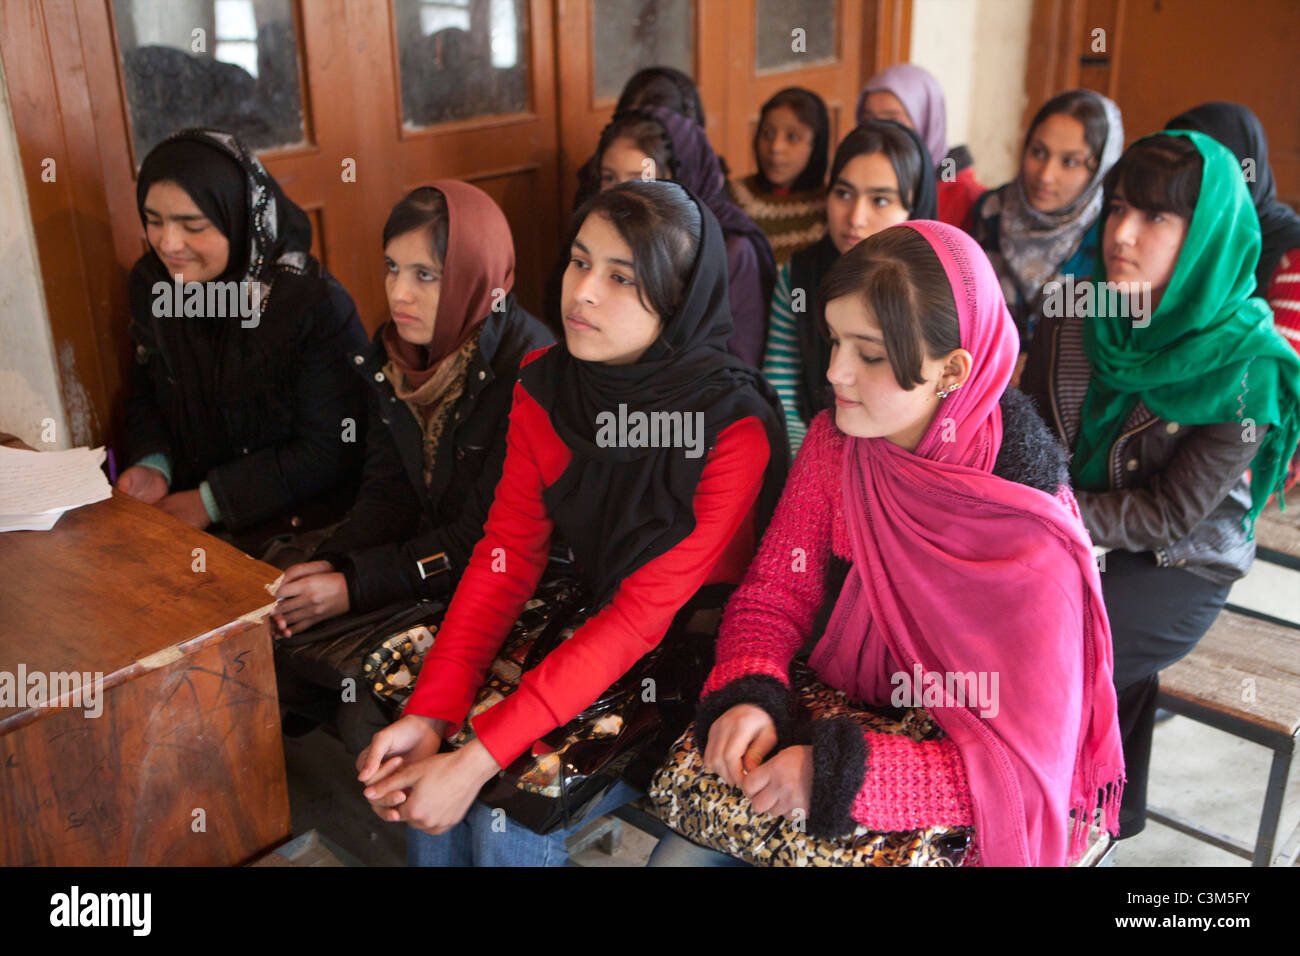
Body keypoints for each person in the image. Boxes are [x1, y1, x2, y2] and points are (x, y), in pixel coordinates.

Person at [650, 221, 1124, 867]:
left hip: (936, 777)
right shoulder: (836, 445)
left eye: (870, 355)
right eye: (835, 341)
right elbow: (772, 596)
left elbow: (1025, 764)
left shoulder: (1026, 521)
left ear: (952, 370)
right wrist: (747, 692)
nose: (836, 372)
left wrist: (841, 777)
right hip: (834, 718)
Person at [355, 180, 790, 867]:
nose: (582, 291)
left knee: (511, 808)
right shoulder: (545, 385)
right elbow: (505, 558)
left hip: (694, 649)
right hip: (589, 607)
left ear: (676, 305)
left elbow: (640, 620)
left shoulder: (730, 428)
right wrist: (434, 712)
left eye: (622, 278)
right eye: (580, 261)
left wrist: (476, 759)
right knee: (423, 768)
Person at [1020, 130, 1300, 839]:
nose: (1123, 233)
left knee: (1060, 642)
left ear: (1205, 235)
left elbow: (1169, 514)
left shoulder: (1245, 364)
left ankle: (1055, 822)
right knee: (989, 600)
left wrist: (1047, 516)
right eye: (1118, 209)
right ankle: (1107, 811)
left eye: (1154, 218)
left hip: (1180, 557)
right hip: (1066, 522)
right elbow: (1024, 435)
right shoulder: (1071, 311)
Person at [268, 183, 553, 749]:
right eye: (392, 268)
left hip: (513, 587)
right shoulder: (397, 357)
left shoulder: (531, 370)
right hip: (429, 563)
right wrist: (333, 566)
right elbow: (387, 493)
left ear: (476, 274)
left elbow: (483, 541)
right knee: (270, 614)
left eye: (427, 275)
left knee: (366, 697)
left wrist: (354, 586)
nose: (400, 293)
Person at [117, 127, 367, 557]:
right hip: (184, 512)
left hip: (304, 521)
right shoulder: (155, 283)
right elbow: (145, 391)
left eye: (192, 225)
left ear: (238, 216)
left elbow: (333, 445)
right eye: (153, 221)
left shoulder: (307, 302)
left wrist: (211, 501)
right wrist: (150, 463)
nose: (168, 243)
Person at [762, 120, 936, 453]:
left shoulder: (942, 289)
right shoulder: (801, 276)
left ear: (914, 208)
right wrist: (815, 462)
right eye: (843, 193)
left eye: (880, 201)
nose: (855, 217)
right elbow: (780, 384)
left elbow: (946, 401)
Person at [586, 106, 777, 368]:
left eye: (641, 179)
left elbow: (737, 361)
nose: (621, 195)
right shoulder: (598, 241)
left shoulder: (730, 249)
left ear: (678, 179)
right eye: (609, 177)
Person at [970, 90, 1123, 370]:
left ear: (1101, 169)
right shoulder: (992, 210)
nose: (1045, 175)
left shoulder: (1110, 232)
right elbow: (967, 310)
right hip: (985, 377)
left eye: (1070, 162)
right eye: (1038, 153)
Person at [1166, 102, 1300, 360]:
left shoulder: (1291, 256)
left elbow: (1279, 373)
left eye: (1206, 164)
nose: (1186, 181)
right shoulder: (1173, 238)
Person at [856, 63, 984, 228]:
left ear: (928, 122)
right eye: (868, 120)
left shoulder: (965, 197)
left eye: (892, 121)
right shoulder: (856, 177)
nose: (877, 132)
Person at [728, 87, 830, 266]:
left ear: (816, 145)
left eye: (792, 137)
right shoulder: (732, 197)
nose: (776, 147)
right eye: (767, 134)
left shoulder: (831, 210)